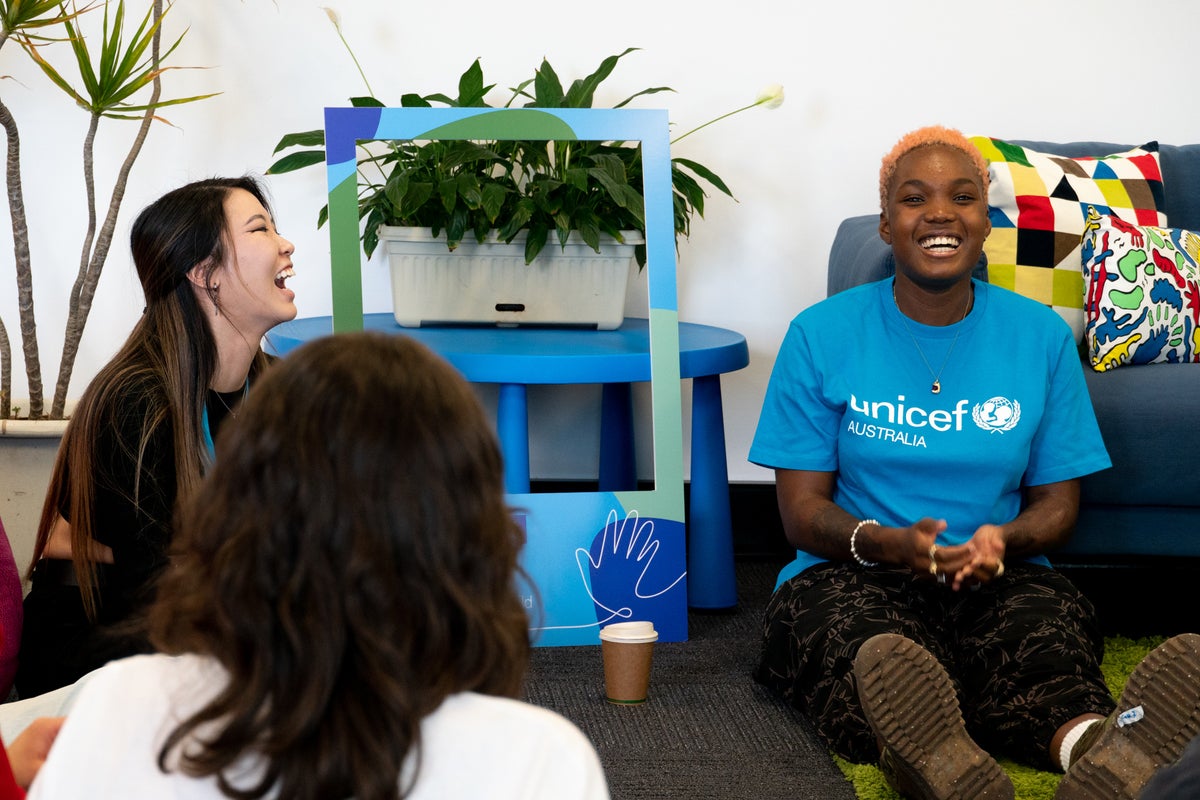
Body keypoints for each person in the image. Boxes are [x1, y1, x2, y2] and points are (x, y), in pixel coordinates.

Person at [748, 125, 1200, 800]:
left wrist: (1003, 541)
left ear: (983, 222)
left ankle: (1100, 754)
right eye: (913, 198)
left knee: (1043, 638)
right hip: (854, 573)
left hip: (999, 573)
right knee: (861, 652)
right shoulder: (821, 334)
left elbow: (1057, 507)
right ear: (885, 223)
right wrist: (883, 543)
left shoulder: (1039, 337)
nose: (938, 213)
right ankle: (934, 760)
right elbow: (800, 511)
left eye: (962, 197)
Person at [26, 331, 610, 800]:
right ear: (470, 532)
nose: (286, 245)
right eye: (260, 226)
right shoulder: (538, 761)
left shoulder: (113, 710)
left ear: (236, 509)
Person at [16, 176, 298, 698]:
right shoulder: (135, 402)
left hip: (197, 632)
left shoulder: (280, 390)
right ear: (204, 273)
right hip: (95, 654)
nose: (286, 244)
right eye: (260, 228)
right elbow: (159, 597)